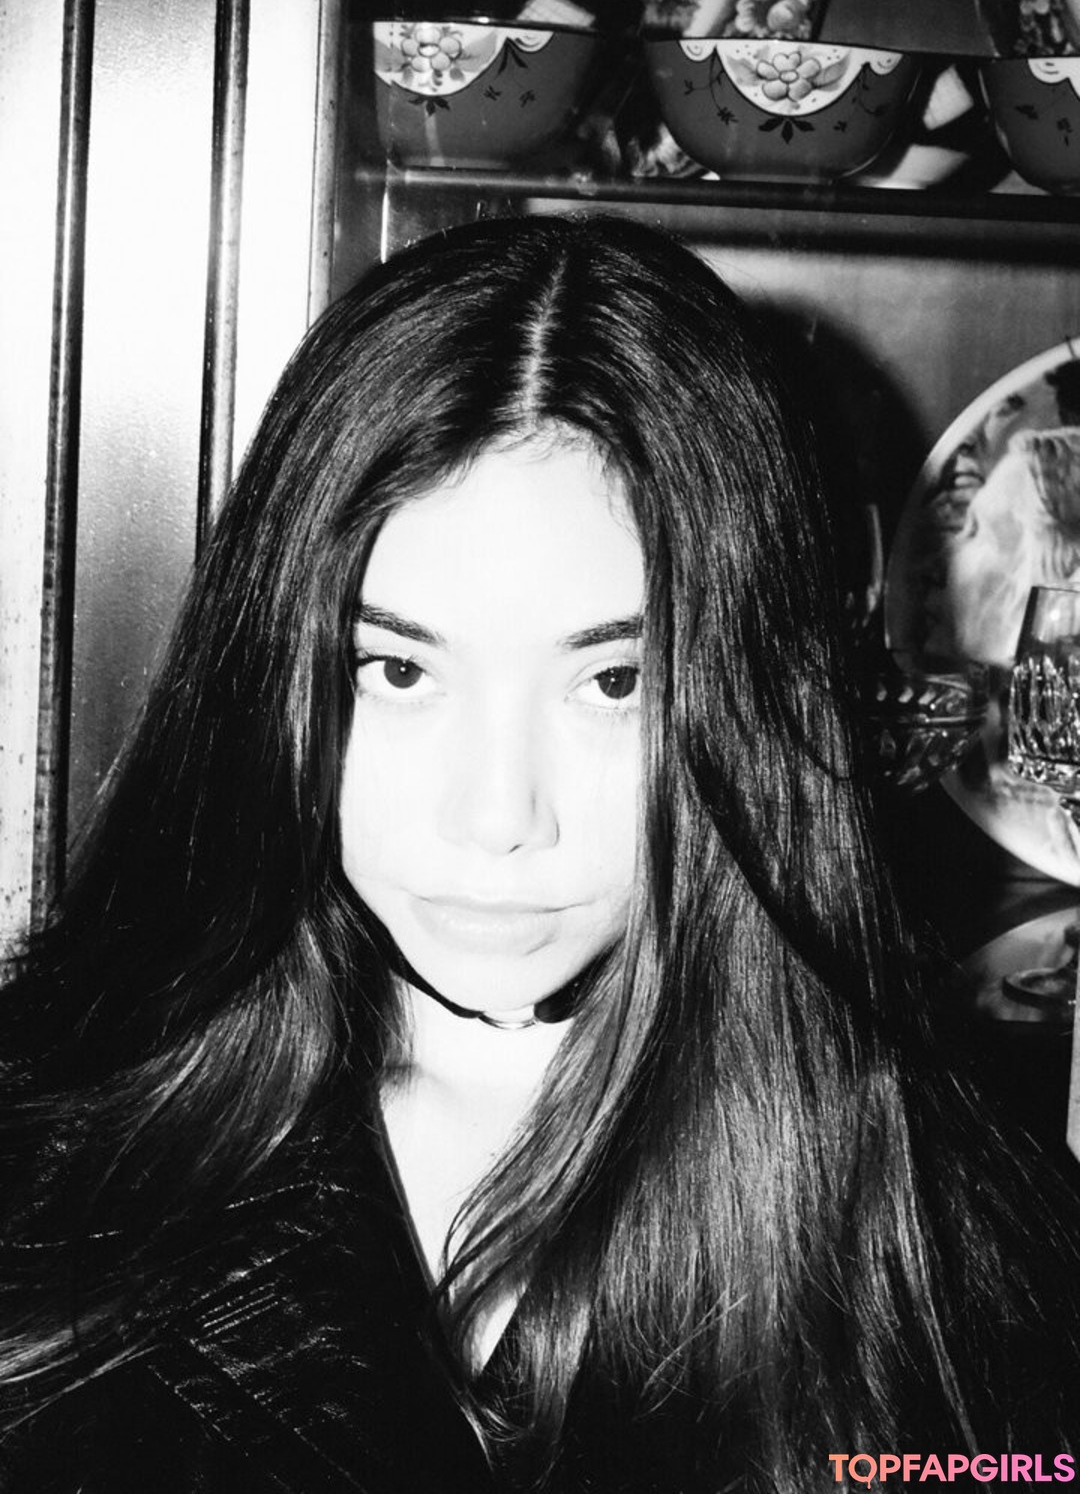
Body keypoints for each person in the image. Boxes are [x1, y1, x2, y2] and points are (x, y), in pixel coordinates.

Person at [0, 213, 1077, 1494]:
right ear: (275, 675)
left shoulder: (972, 1247)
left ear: (752, 697)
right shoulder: (40, 1151)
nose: (497, 815)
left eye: (614, 682)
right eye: (398, 671)